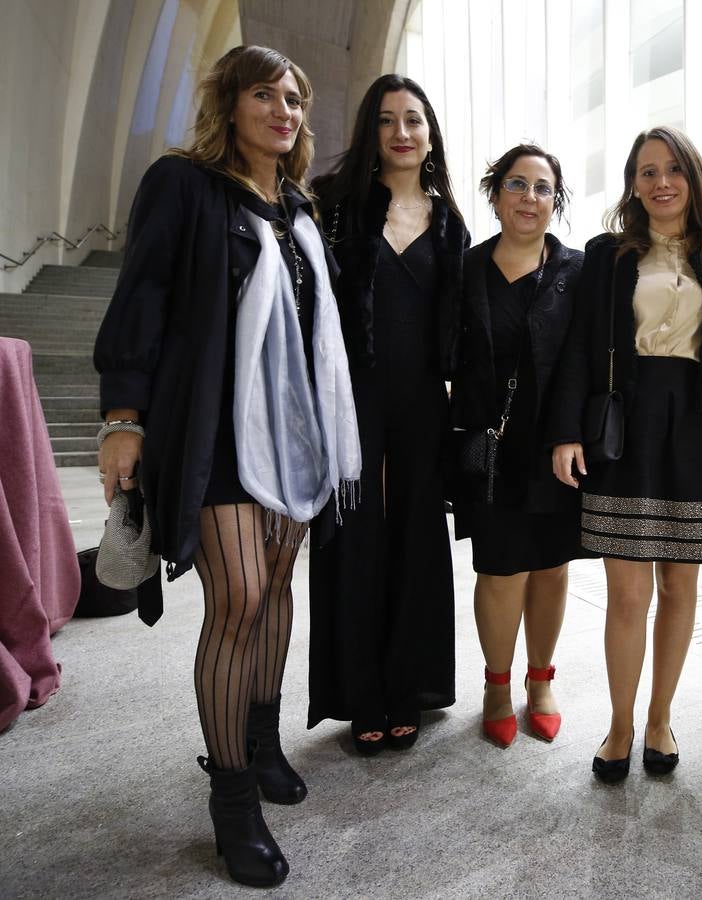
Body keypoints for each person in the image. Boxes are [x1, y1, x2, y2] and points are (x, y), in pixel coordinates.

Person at [94, 46, 360, 887]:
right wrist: (122, 418)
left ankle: (260, 738)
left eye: (294, 97)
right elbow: (141, 296)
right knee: (239, 597)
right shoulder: (183, 184)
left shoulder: (298, 208)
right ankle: (232, 799)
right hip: (209, 426)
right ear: (228, 103)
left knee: (278, 591)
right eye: (264, 94)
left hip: (292, 433)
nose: (284, 110)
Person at [548, 126, 702, 782]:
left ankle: (661, 717)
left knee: (679, 582)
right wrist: (566, 430)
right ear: (633, 183)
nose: (659, 182)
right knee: (626, 591)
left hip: (700, 428)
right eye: (645, 171)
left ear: (692, 177)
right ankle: (619, 722)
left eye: (671, 169)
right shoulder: (607, 254)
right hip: (624, 429)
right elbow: (580, 344)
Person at [307, 74, 468, 754]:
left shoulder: (450, 220)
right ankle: (360, 692)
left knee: (416, 538)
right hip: (349, 397)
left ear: (430, 134)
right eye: (386, 120)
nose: (401, 132)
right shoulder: (331, 206)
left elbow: (459, 332)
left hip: (424, 401)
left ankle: (409, 685)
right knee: (353, 534)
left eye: (414, 120)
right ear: (368, 131)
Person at [448, 144, 589, 747]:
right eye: (516, 184)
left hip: (558, 444)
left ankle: (540, 681)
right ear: (495, 194)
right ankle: (498, 685)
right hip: (490, 448)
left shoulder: (578, 270)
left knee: (552, 568)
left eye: (542, 187)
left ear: (555, 200)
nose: (529, 197)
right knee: (501, 569)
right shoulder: (465, 268)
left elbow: (588, 360)